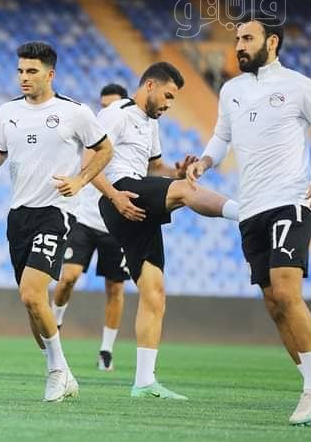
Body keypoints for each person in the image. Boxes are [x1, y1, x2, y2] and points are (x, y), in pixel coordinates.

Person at [187, 13, 311, 425]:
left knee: (287, 292)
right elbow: (222, 137)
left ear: (272, 43)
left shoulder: (299, 86)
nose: (239, 46)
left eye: (248, 38)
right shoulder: (231, 90)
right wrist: (204, 161)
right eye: (237, 38)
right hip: (250, 209)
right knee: (274, 305)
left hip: (291, 202)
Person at [93, 61, 239, 400]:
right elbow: (88, 163)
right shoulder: (116, 114)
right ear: (150, 86)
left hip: (137, 197)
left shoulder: (150, 124)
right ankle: (246, 213)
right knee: (187, 192)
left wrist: (176, 171)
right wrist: (114, 197)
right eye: (168, 96)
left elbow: (154, 167)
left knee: (155, 293)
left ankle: (144, 383)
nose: (169, 104)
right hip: (120, 193)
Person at [0, 41, 113, 402]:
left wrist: (81, 180)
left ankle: (56, 372)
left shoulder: (75, 112)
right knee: (31, 305)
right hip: (18, 215)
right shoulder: (7, 112)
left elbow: (105, 149)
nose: (24, 77)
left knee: (31, 292)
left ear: (50, 74)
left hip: (56, 212)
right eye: (21, 71)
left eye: (32, 71)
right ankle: (63, 371)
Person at [51, 83, 130, 372]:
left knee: (115, 287)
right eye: (103, 106)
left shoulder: (132, 140)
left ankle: (106, 350)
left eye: (112, 106)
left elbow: (153, 167)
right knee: (68, 277)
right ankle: (55, 324)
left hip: (116, 225)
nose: (106, 111)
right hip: (85, 218)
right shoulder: (92, 136)